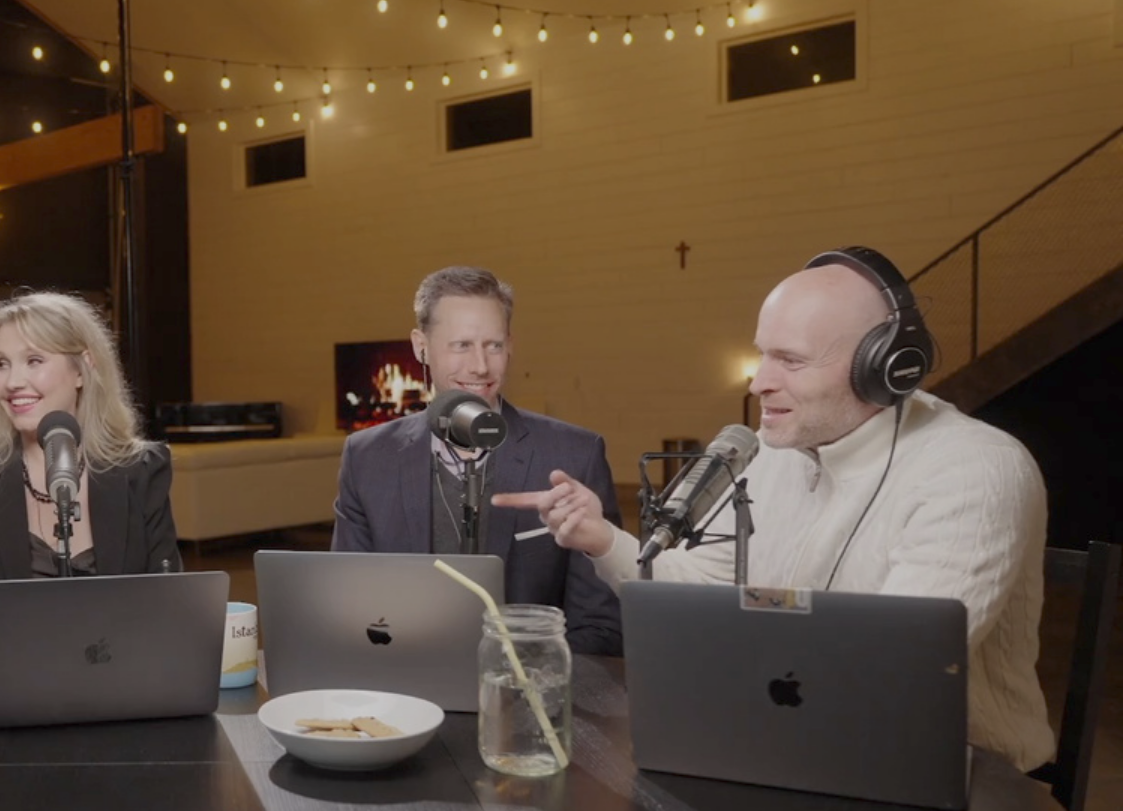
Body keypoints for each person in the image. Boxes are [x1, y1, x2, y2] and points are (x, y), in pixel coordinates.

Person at [499, 246, 1055, 771]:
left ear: (884, 366)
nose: (760, 382)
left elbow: (895, 672)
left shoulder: (976, 469)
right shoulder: (775, 453)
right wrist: (601, 538)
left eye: (790, 360)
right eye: (764, 353)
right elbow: (705, 586)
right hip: (788, 741)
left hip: (964, 776)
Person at [332, 266, 624, 655]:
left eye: (494, 346)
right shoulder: (367, 457)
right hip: (403, 679)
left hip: (524, 682)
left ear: (510, 345)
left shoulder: (575, 455)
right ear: (421, 346)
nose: (481, 366)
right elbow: (350, 605)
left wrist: (511, 678)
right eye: (461, 345)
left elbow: (602, 627)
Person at [0, 292, 179, 654]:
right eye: (1, 364)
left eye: (34, 360)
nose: (12, 382)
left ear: (82, 369)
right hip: (10, 683)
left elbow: (169, 610)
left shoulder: (142, 469)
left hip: (126, 677)